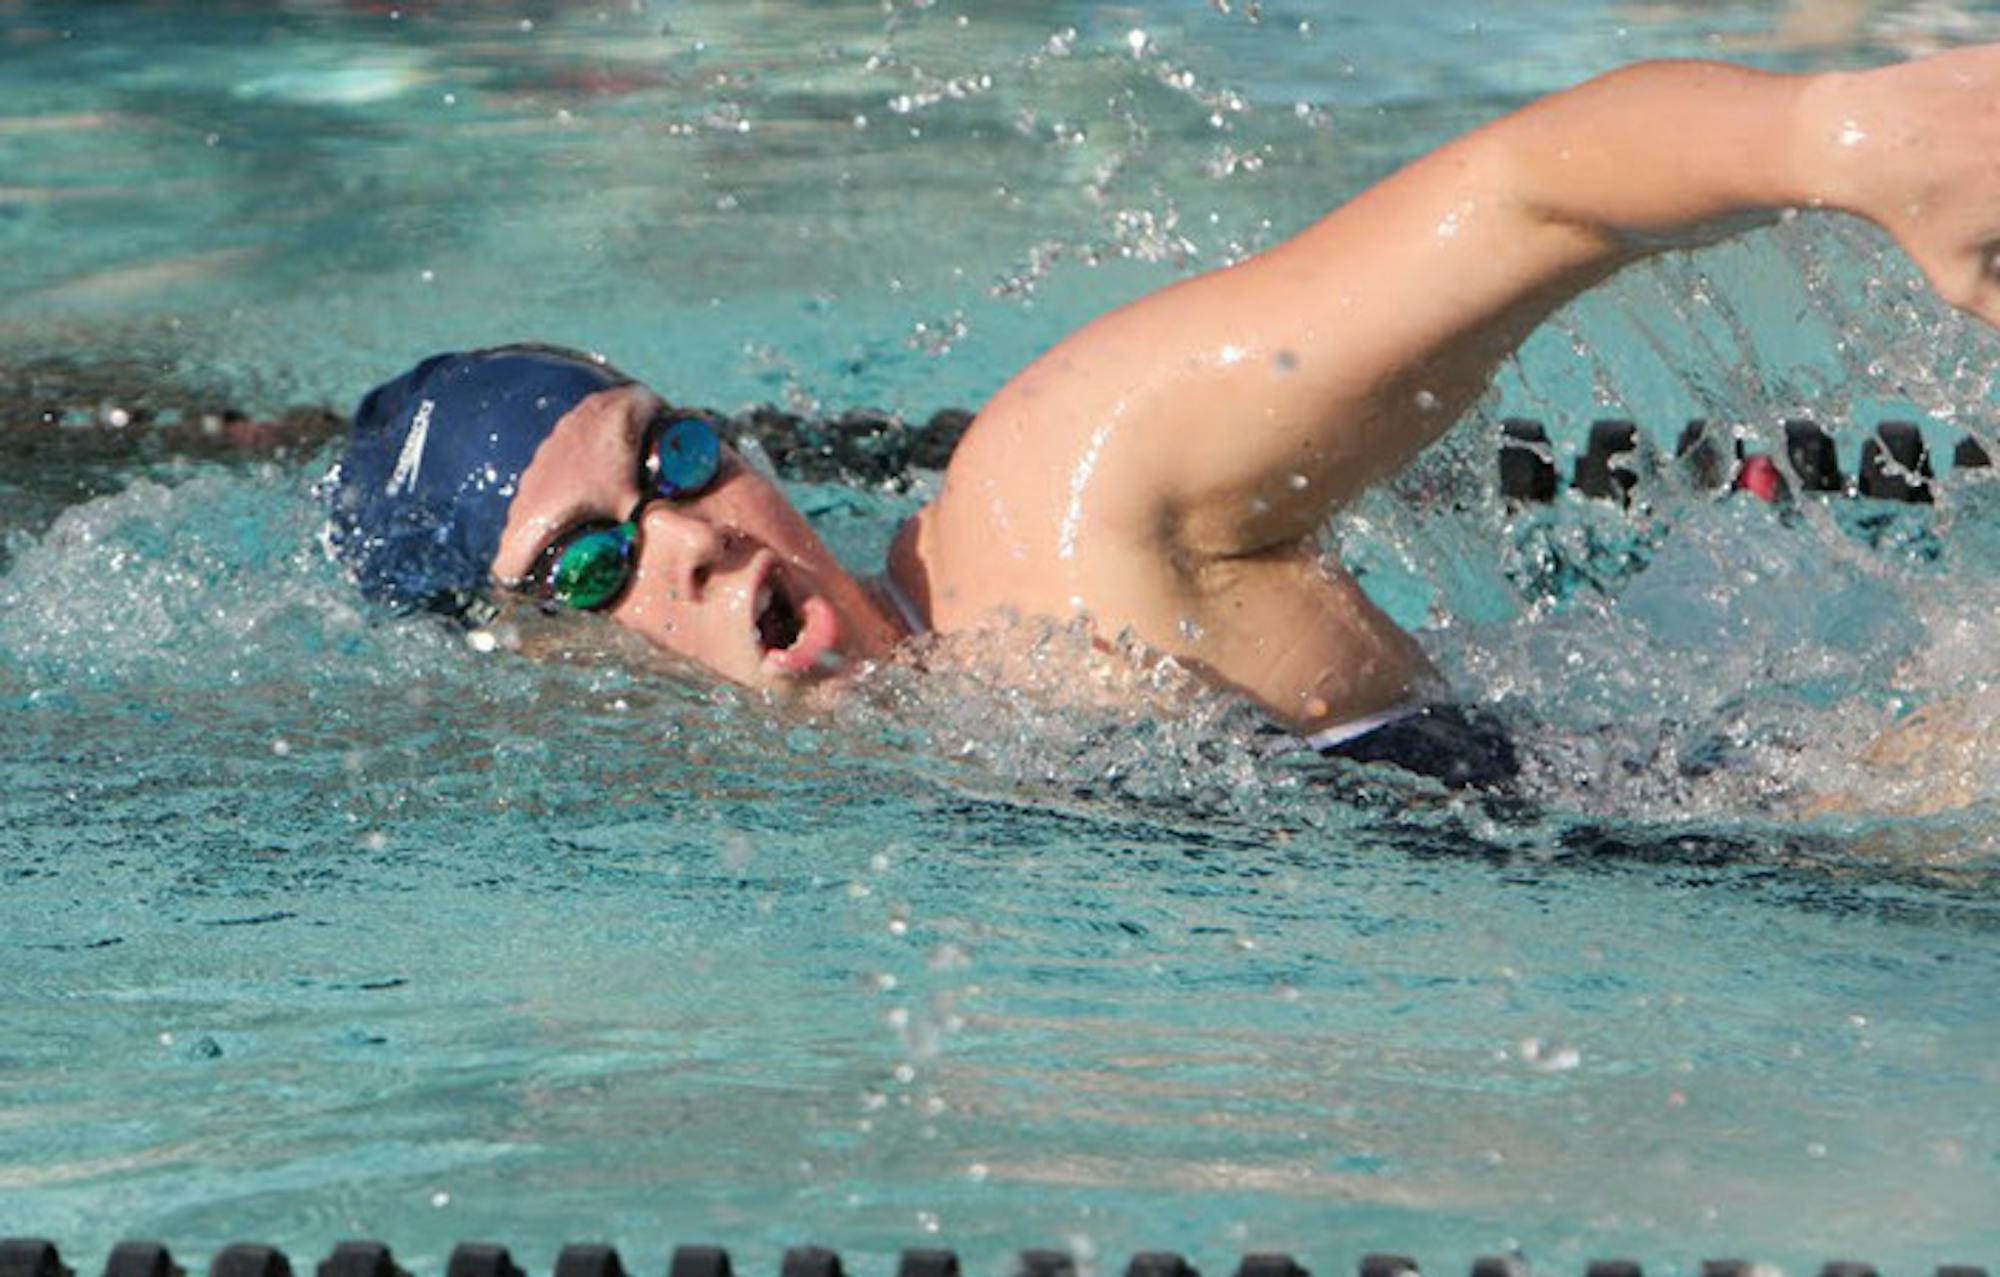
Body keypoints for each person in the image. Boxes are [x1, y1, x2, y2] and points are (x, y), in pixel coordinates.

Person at [323, 45, 2000, 791]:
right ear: (528, 683)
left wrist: (1846, 144)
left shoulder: (1055, 526)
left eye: (674, 455)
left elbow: (1517, 195)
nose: (692, 538)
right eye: (592, 562)